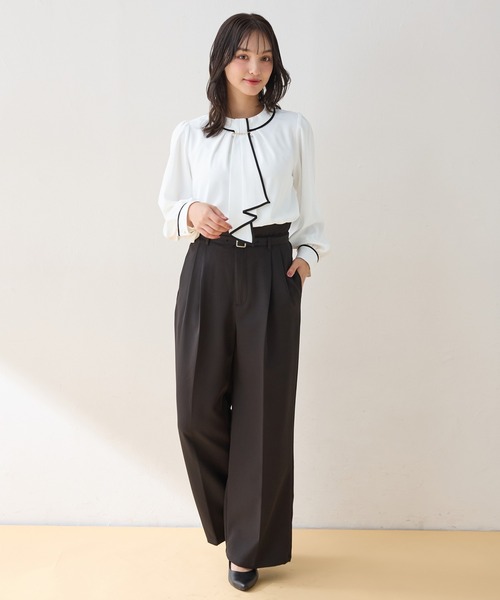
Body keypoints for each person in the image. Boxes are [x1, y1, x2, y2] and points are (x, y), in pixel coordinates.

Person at [158, 12, 329, 592]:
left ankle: (246, 547)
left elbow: (312, 208)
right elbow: (167, 207)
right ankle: (234, 517)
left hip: (272, 268)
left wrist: (306, 258)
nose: (255, 68)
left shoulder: (294, 129)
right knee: (194, 411)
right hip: (207, 268)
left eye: (265, 57)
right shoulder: (190, 134)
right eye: (242, 56)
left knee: (263, 414)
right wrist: (190, 211)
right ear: (222, 61)